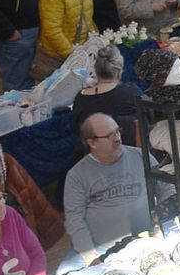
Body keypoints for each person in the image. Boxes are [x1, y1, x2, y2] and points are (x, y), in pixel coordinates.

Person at [65, 113, 163, 265]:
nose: (117, 138)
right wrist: (90, 257)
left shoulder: (141, 156)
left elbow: (167, 191)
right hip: (104, 250)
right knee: (64, 273)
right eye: (109, 135)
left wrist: (163, 226)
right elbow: (74, 221)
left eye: (117, 131)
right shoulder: (77, 175)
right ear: (92, 142)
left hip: (148, 238)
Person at [36, 0, 96, 81]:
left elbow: (87, 18)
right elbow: (52, 31)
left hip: (79, 51)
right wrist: (73, 55)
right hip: (57, 58)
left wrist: (92, 42)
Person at [71, 46, 143, 146]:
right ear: (119, 72)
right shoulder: (131, 93)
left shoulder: (81, 98)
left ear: (96, 71)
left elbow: (76, 128)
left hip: (95, 152)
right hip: (132, 153)